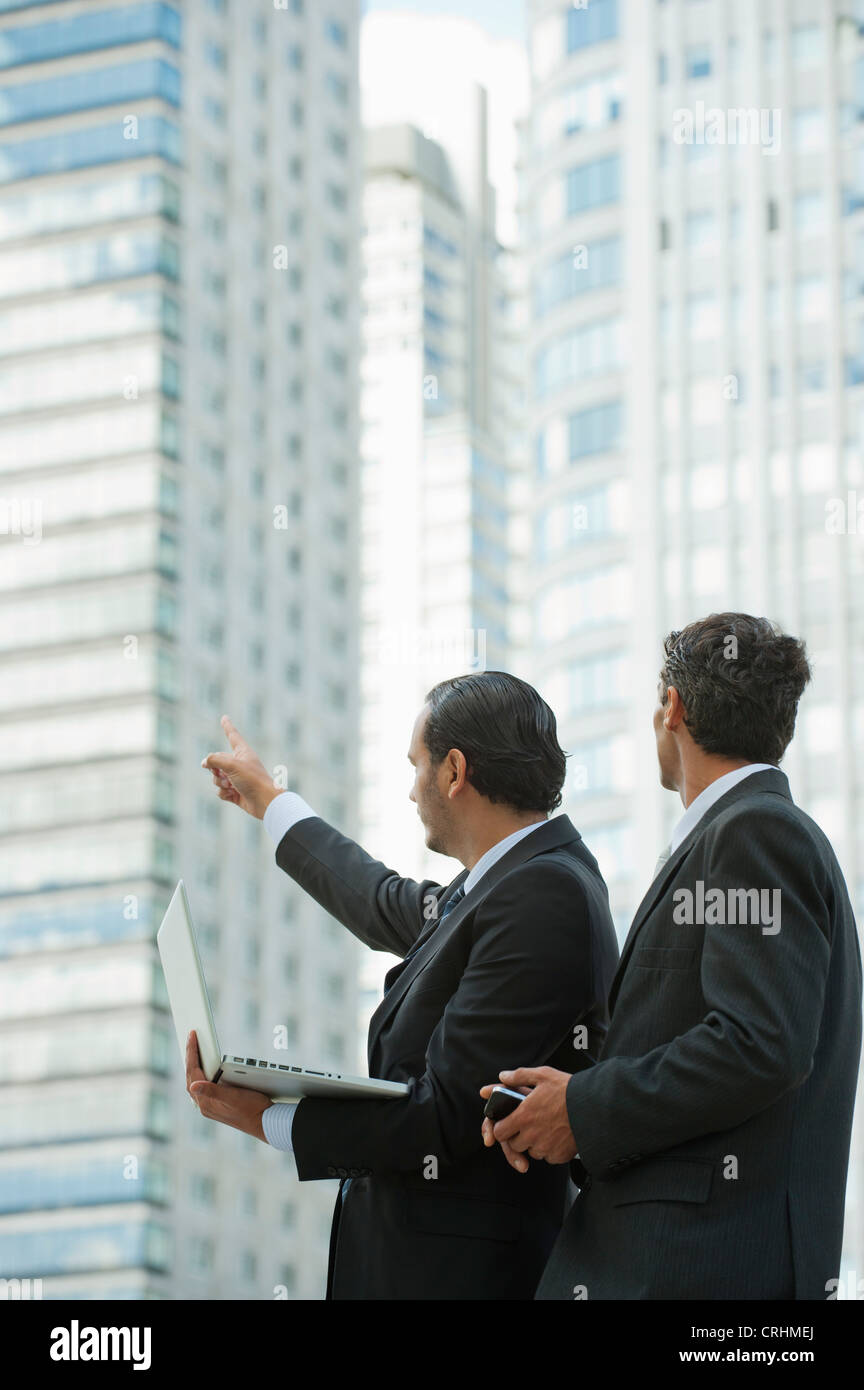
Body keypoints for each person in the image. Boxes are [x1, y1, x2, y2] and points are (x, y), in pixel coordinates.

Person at [189, 671, 619, 1300]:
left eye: (416, 765)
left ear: (454, 771)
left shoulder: (542, 892)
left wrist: (273, 1118)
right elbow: (379, 898)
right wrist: (269, 802)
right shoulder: (495, 885)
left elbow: (442, 1113)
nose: (410, 790)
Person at [482, 614, 862, 1301]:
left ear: (673, 707)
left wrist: (584, 1108)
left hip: (695, 1271)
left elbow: (760, 1043)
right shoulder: (739, 834)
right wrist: (561, 1109)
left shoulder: (754, 830)